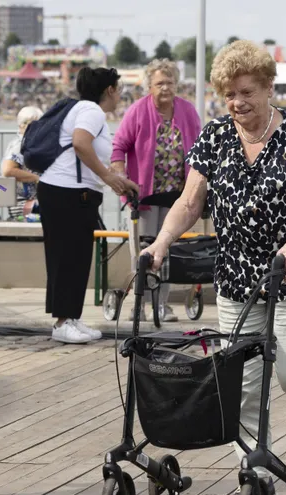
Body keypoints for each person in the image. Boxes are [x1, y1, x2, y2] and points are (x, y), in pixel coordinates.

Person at [140, 40, 286, 495]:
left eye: (247, 92)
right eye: (229, 94)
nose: (237, 102)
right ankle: (255, 475)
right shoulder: (215, 136)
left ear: (269, 87)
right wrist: (161, 242)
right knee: (243, 385)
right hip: (236, 280)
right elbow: (190, 202)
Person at [37, 67, 139, 345]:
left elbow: (86, 153)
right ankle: (62, 323)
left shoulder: (84, 110)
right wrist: (109, 177)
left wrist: (115, 178)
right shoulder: (92, 111)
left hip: (67, 192)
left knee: (76, 258)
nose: (120, 95)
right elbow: (81, 144)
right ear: (109, 90)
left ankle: (70, 317)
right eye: (119, 89)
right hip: (66, 193)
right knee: (67, 258)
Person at [111, 59, 202, 322]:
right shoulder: (138, 110)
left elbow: (199, 149)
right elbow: (118, 147)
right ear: (149, 86)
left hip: (177, 197)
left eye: (170, 82)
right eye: (160, 83)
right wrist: (121, 178)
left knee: (168, 252)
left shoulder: (187, 111)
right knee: (143, 251)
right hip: (144, 197)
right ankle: (138, 305)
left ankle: (161, 306)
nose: (165, 88)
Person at [2, 106, 44, 218]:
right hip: (24, 206)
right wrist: (37, 178)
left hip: (29, 203)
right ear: (23, 125)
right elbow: (8, 170)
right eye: (38, 124)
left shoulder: (25, 142)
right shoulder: (20, 144)